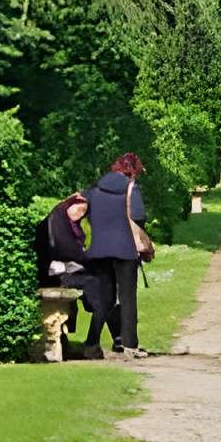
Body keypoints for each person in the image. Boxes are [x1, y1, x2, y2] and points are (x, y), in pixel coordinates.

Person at [80, 152, 156, 356]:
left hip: (98, 251)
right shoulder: (131, 188)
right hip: (124, 250)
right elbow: (138, 216)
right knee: (127, 297)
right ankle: (130, 345)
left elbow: (79, 210)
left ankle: (91, 345)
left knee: (103, 299)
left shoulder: (95, 189)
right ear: (132, 171)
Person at [37, 189, 104, 360]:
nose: (81, 214)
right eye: (80, 208)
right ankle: (93, 344)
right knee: (100, 291)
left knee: (102, 288)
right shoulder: (58, 219)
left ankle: (99, 341)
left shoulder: (66, 221)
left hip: (65, 270)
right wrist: (89, 260)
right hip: (56, 274)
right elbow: (68, 251)